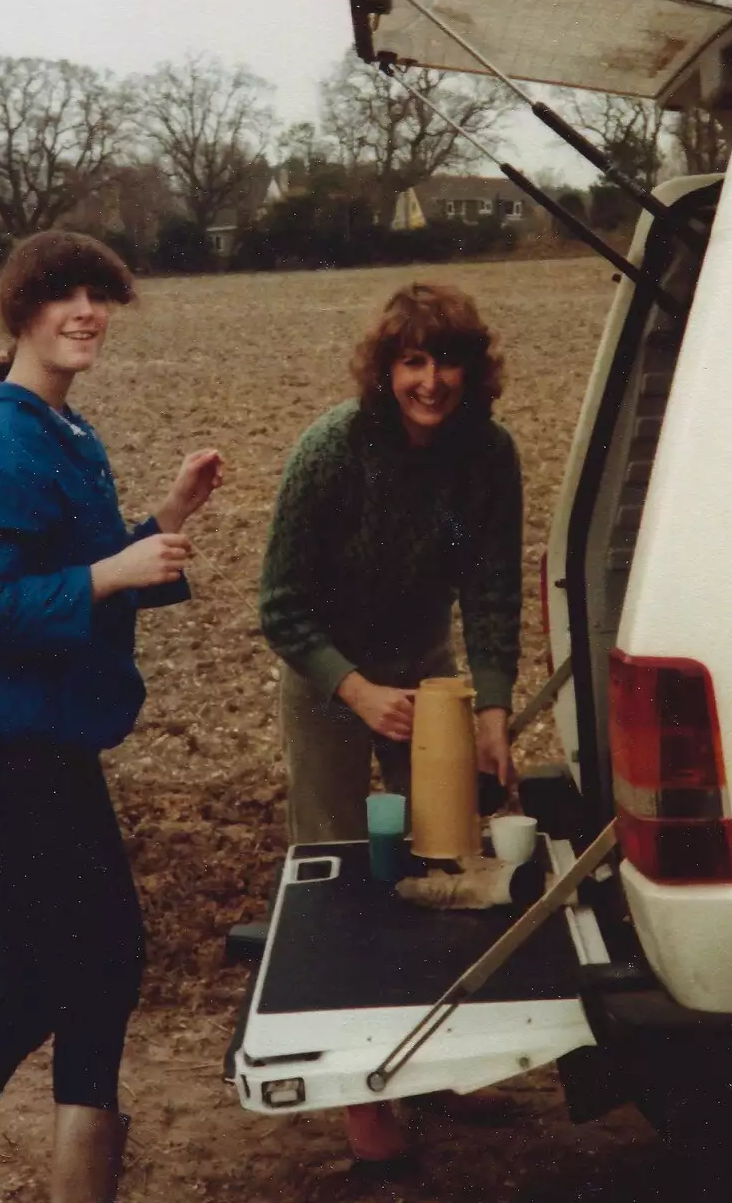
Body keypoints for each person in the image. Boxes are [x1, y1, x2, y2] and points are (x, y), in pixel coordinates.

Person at [0, 231, 222, 1203]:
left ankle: (77, 1188)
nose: (86, 311)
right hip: (6, 744)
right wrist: (116, 569)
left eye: (100, 294)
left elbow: (65, 579)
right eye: (62, 296)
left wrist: (161, 524)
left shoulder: (58, 431)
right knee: (48, 971)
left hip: (50, 734)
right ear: (20, 314)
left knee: (105, 958)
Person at [259, 281, 523, 1162]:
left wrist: (489, 708)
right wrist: (358, 691)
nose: (431, 380)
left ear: (471, 370)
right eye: (412, 360)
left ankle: (442, 1055)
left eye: (447, 359)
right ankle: (359, 1089)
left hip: (425, 667)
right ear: (385, 370)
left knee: (442, 853)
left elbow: (490, 590)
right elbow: (282, 608)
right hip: (330, 674)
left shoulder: (487, 456)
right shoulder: (331, 452)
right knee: (336, 869)